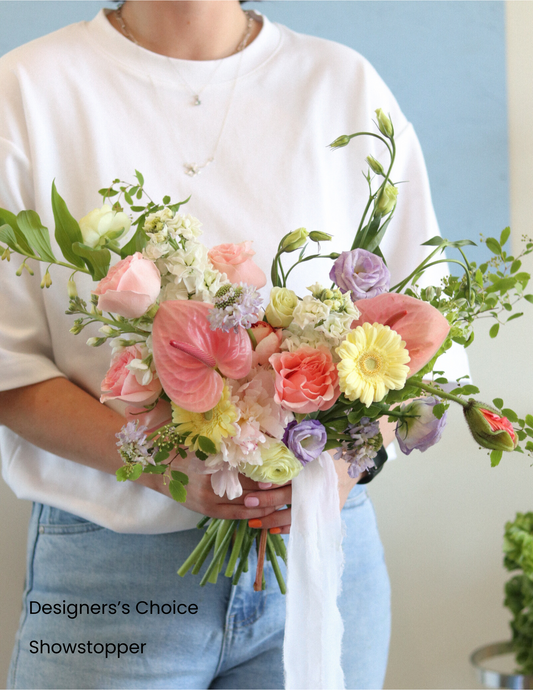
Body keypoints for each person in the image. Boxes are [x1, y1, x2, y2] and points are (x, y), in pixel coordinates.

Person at [0, 2, 464, 688]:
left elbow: (428, 336)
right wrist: (162, 465)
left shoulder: (341, 84)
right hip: (113, 579)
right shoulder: (29, 90)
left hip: (320, 561)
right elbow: (8, 369)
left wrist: (343, 463)